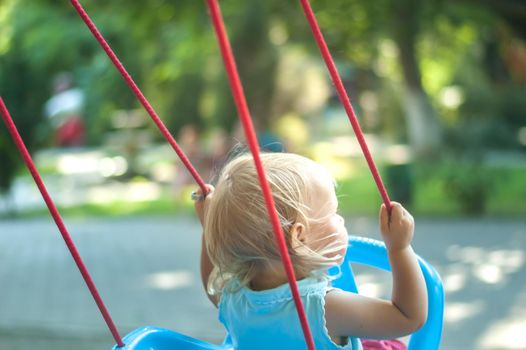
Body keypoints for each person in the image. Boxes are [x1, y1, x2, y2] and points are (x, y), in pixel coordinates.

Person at [193, 152, 427, 350]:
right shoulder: (323, 309)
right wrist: (399, 248)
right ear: (298, 237)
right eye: (333, 214)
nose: (341, 220)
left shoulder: (234, 298)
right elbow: (408, 317)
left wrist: (208, 229)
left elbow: (209, 282)